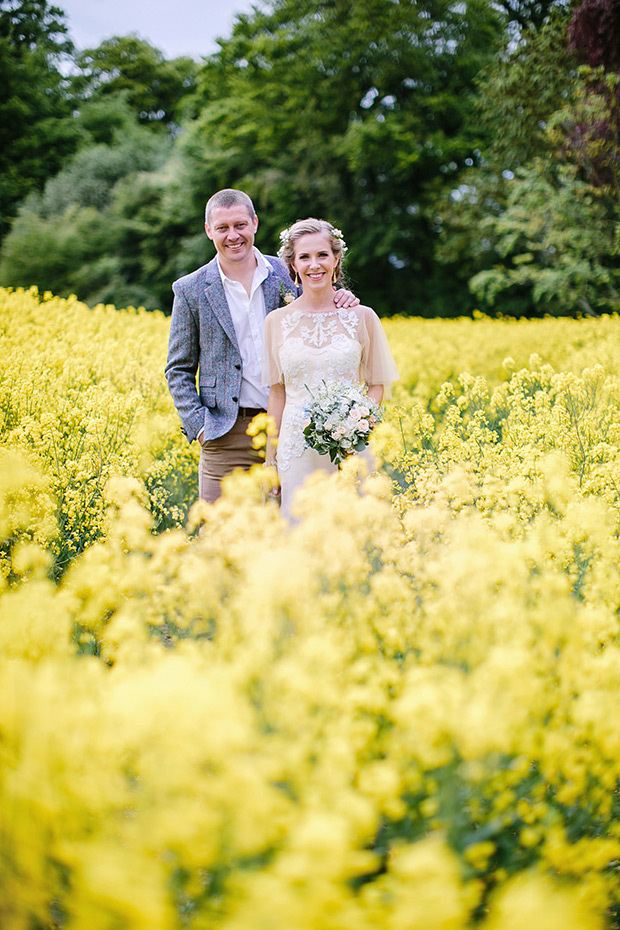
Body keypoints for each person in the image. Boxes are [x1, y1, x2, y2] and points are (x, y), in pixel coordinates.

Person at [165, 189, 359, 503]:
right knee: (220, 538)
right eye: (222, 228)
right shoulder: (191, 289)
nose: (233, 235)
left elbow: (320, 306)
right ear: (208, 231)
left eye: (240, 225)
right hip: (225, 433)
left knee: (289, 537)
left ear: (255, 223)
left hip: (291, 430)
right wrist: (201, 427)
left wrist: (342, 297)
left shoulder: (287, 273)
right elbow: (178, 369)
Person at [263, 218, 399, 521]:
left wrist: (357, 424)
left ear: (336, 259)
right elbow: (277, 394)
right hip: (296, 448)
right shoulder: (276, 322)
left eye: (322, 255)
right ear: (293, 265)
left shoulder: (362, 317)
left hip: (350, 446)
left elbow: (377, 384)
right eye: (305, 257)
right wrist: (270, 460)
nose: (315, 265)